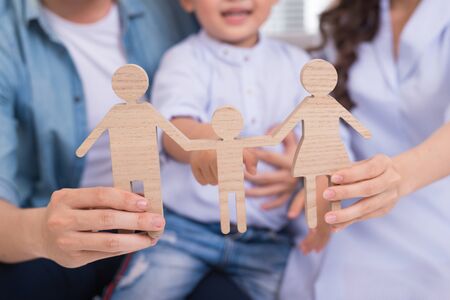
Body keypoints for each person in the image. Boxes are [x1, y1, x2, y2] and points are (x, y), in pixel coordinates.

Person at [111, 0, 331, 299]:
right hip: (185, 232)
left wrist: (314, 189)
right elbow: (175, 125)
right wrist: (204, 144)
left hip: (267, 241)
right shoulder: (183, 59)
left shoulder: (297, 63)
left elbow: (322, 140)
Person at [0, 0, 197, 299]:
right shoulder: (7, 32)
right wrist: (41, 232)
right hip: (49, 233)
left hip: (177, 226)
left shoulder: (180, 9)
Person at [279, 0, 450, 298]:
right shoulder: (350, 15)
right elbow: (328, 115)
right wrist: (316, 176)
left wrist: (394, 175)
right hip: (345, 188)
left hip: (431, 191)